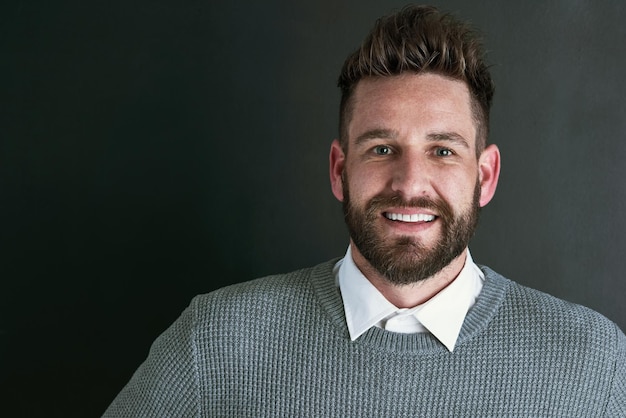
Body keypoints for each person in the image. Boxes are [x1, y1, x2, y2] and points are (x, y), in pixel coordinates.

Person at [104, 5, 625, 416]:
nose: (410, 183)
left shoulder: (592, 363)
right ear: (338, 169)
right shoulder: (216, 341)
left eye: (443, 150)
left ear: (485, 176)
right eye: (381, 148)